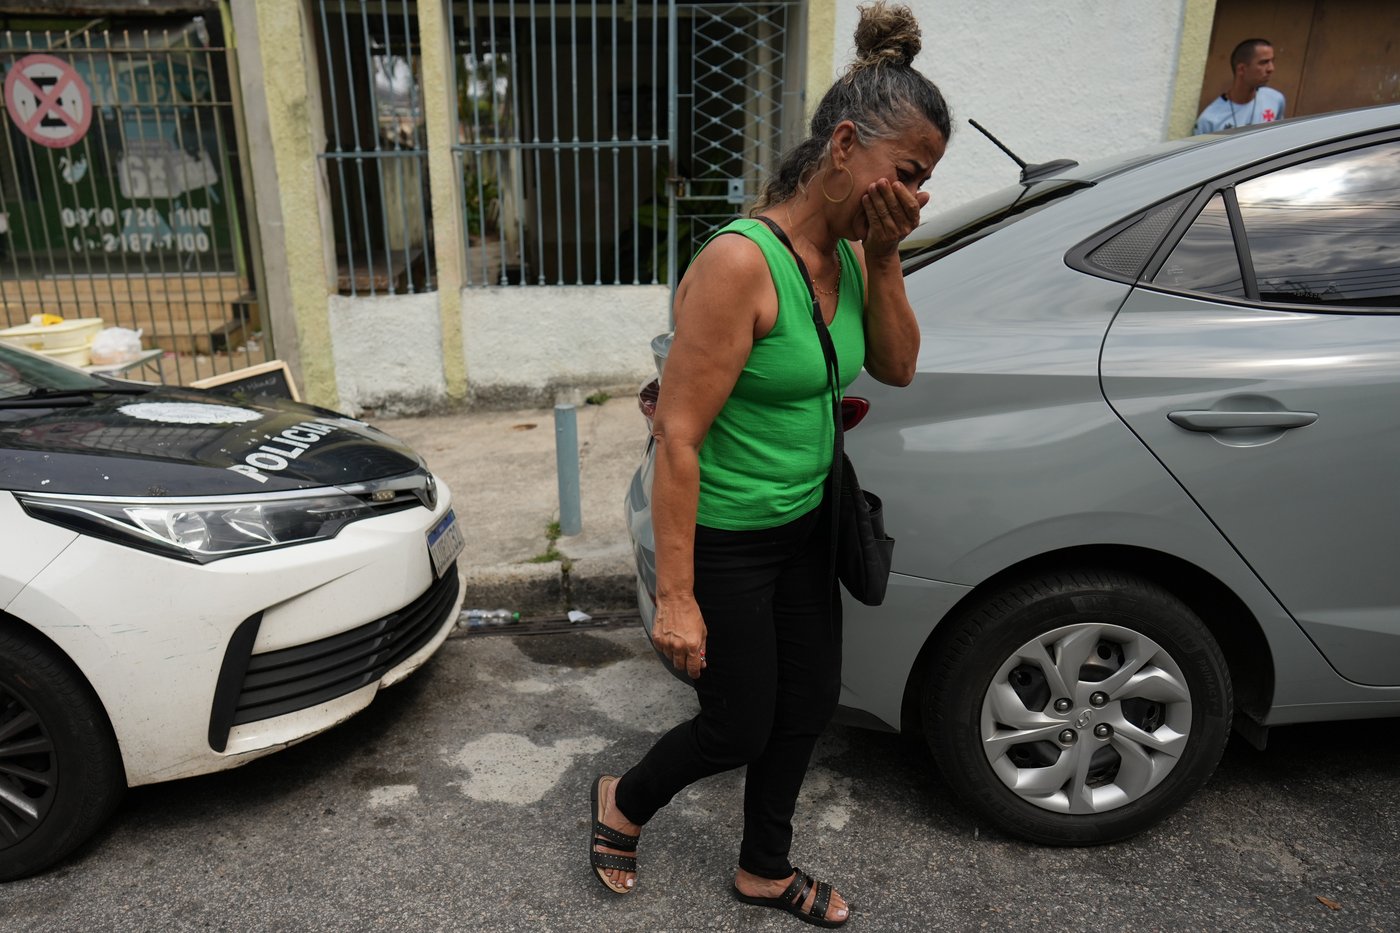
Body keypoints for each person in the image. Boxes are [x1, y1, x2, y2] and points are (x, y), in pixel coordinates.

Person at [587, 2, 950, 927]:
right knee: (737, 722)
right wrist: (677, 593)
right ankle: (623, 800)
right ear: (843, 146)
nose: (916, 193)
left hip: (806, 525)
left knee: (809, 702)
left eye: (927, 180)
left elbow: (900, 366)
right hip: (727, 536)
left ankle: (764, 866)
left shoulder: (857, 253)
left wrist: (889, 257)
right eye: (908, 172)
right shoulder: (742, 264)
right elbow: (679, 434)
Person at [1194, 38, 1285, 134]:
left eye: (1272, 61)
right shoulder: (1209, 120)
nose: (1271, 68)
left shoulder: (1275, 99)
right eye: (1263, 62)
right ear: (1241, 69)